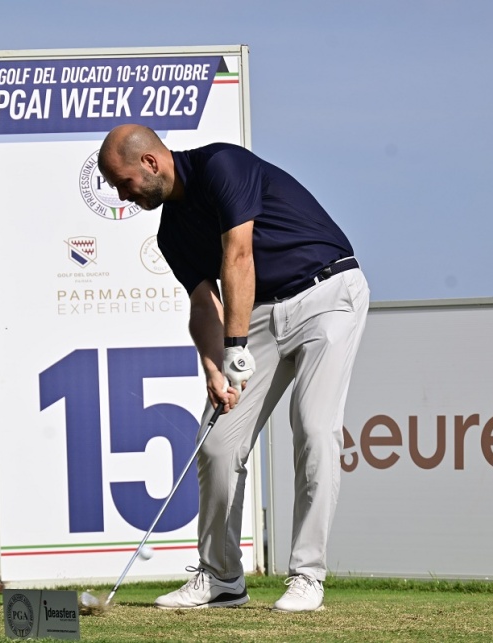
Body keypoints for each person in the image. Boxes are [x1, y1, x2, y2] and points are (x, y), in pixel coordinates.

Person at [97, 125, 369, 613]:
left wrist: (237, 346)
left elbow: (238, 258)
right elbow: (204, 305)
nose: (122, 196)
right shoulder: (170, 234)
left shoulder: (223, 165)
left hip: (327, 291)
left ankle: (307, 576)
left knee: (313, 427)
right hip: (261, 311)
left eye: (124, 183)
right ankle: (221, 578)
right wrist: (213, 368)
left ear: (151, 164)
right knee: (218, 443)